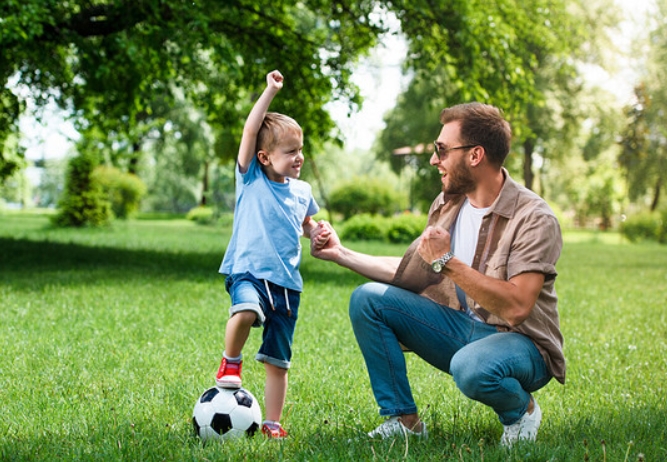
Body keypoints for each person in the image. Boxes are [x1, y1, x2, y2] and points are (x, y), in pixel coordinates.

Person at [310, 102, 564, 446]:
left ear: (475, 155)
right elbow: (412, 269)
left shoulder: (534, 218)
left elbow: (517, 306)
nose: (434, 159)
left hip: (523, 345)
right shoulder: (448, 204)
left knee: (471, 367)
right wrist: (340, 254)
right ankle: (404, 420)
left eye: (441, 150)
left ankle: (521, 410)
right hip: (463, 328)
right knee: (368, 300)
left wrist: (447, 260)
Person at [216, 70, 330, 440]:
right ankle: (231, 363)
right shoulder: (250, 179)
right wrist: (270, 91)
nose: (299, 157)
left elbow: (306, 222)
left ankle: (272, 423)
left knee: (278, 362)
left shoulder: (301, 191)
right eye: (290, 151)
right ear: (264, 157)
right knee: (246, 312)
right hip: (249, 272)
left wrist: (317, 231)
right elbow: (250, 131)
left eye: (300, 150)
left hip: (287, 286)